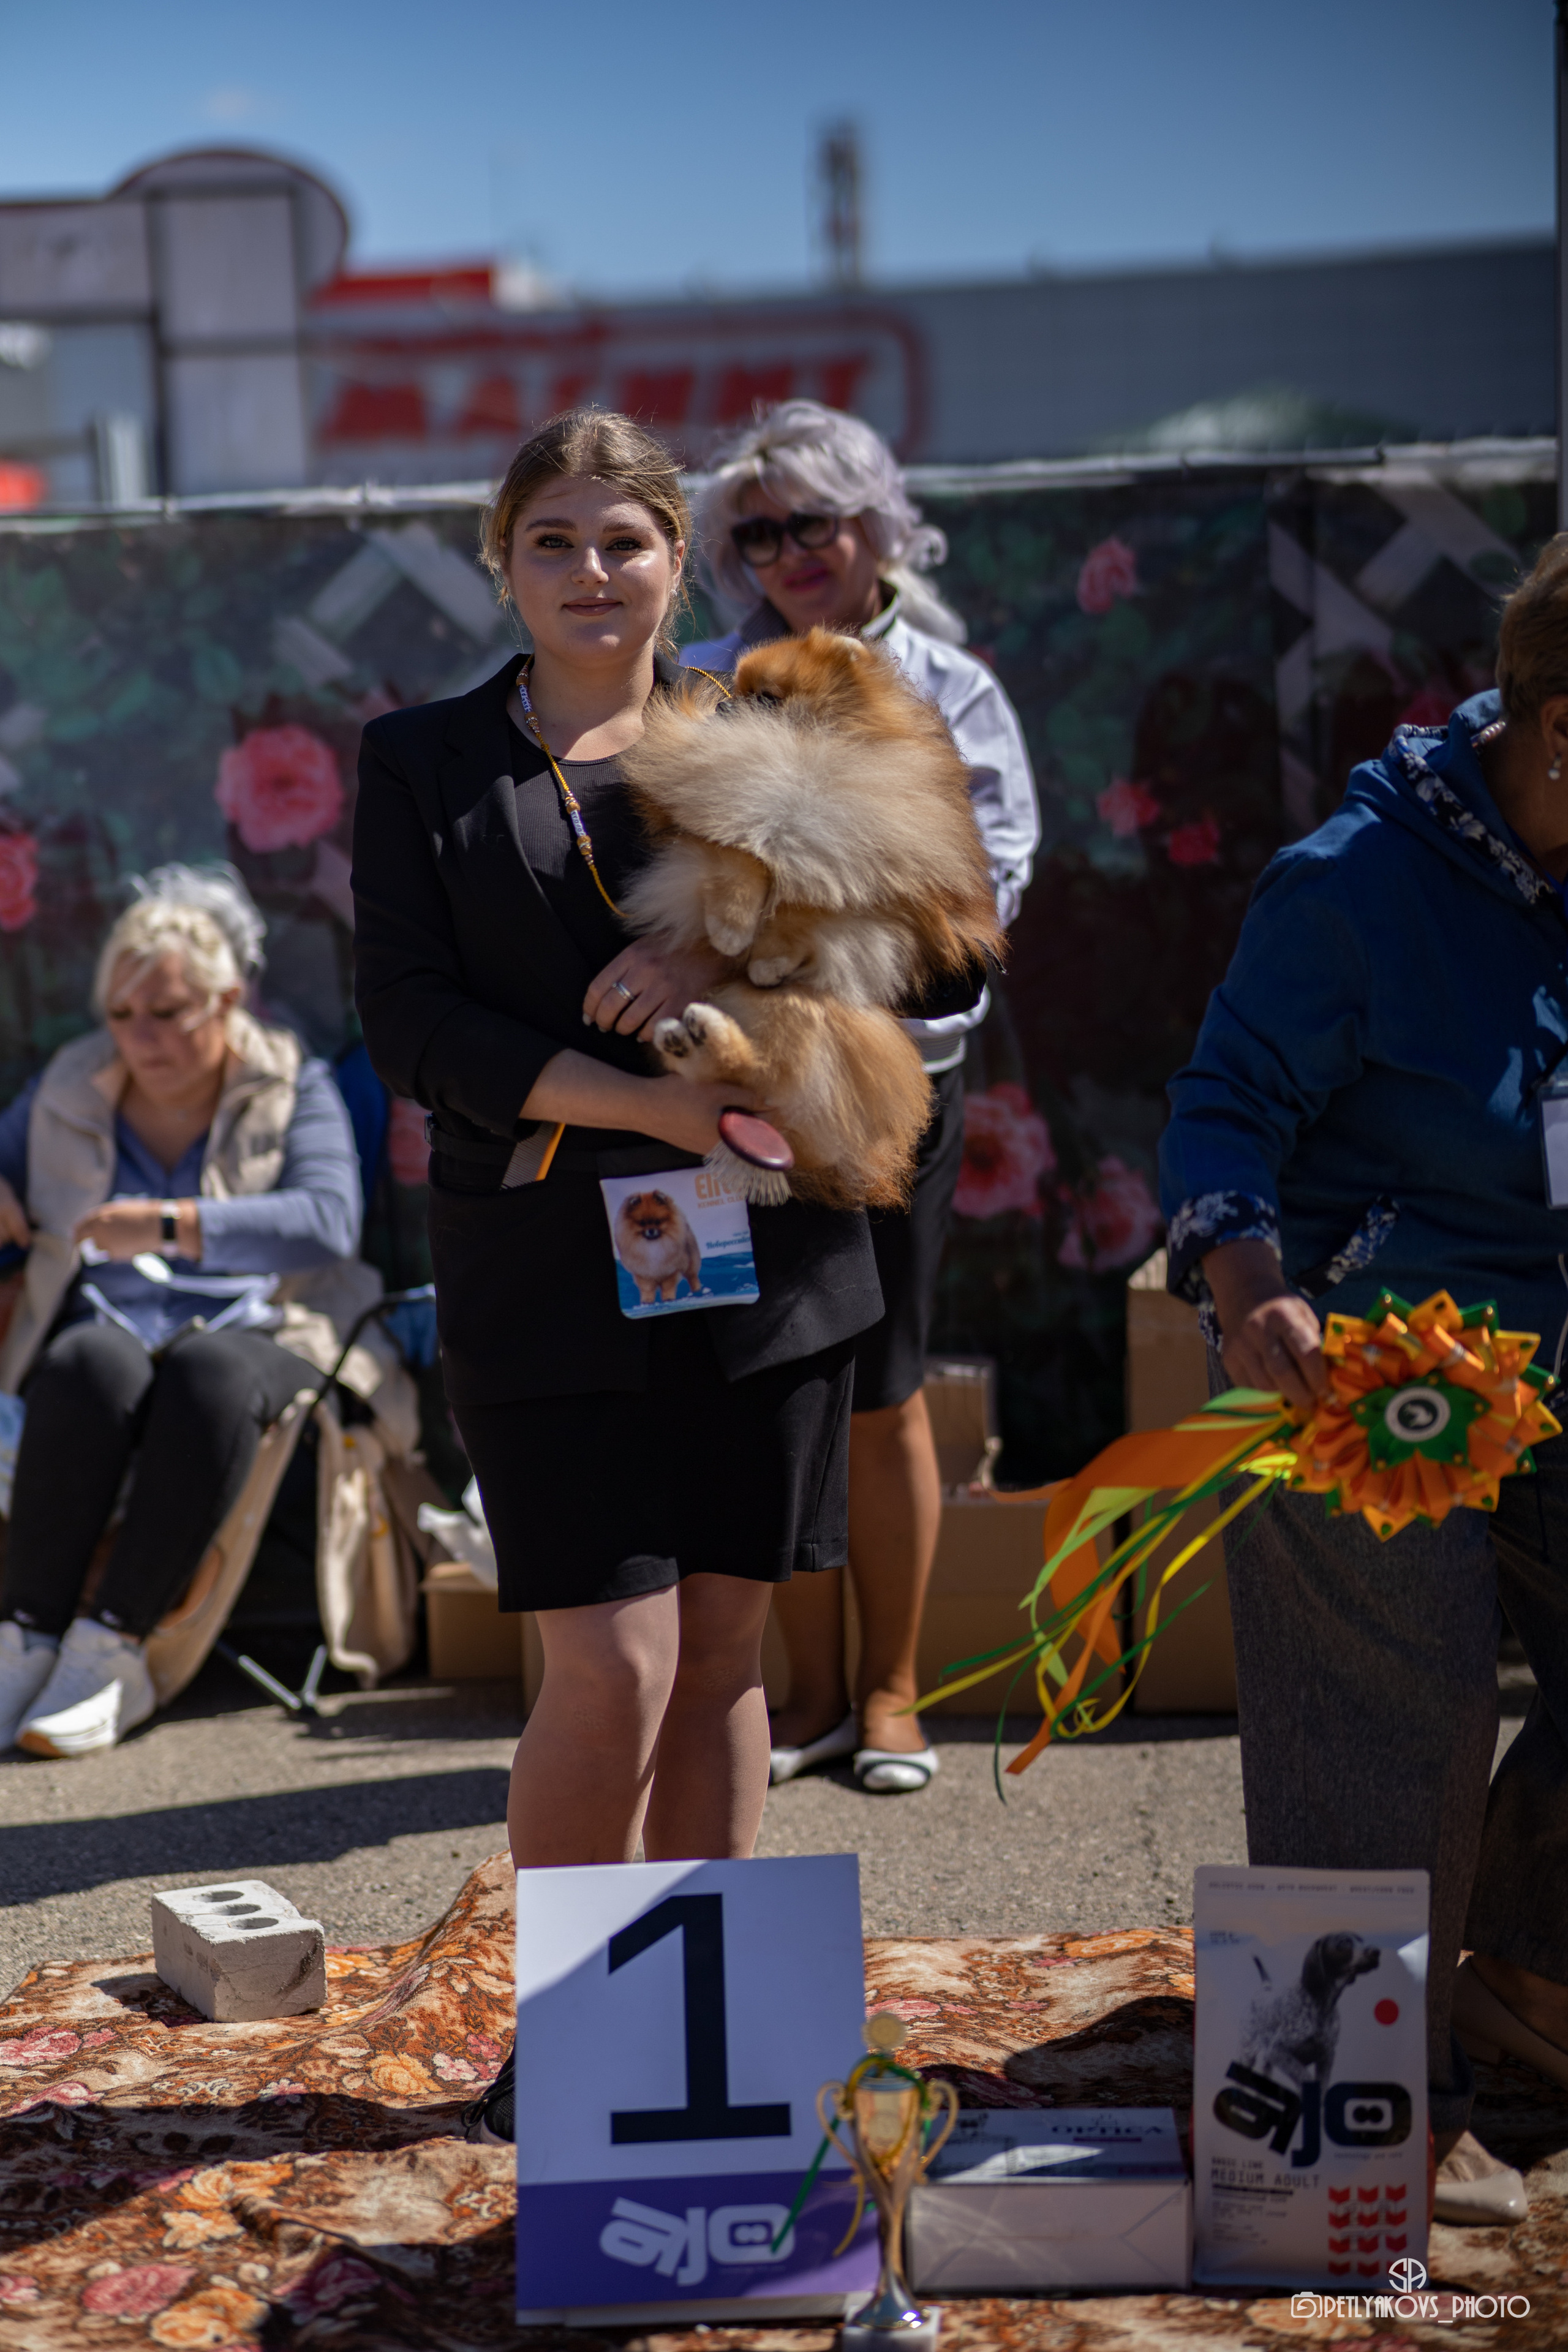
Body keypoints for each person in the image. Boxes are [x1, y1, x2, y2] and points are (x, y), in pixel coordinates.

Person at [350, 409, 884, 2142]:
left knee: (723, 1646)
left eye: (625, 540)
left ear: (677, 559)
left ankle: (698, 2032)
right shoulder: (421, 762)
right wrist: (644, 1103)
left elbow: (911, 934)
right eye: (554, 541)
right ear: (502, 563)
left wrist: (709, 942)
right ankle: (576, 2029)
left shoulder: (766, 727)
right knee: (614, 1666)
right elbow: (411, 1024)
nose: (592, 572)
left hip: (769, 1250)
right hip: (543, 1257)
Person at [1158, 533, 1568, 2227]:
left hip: (1562, 1359)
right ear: (1560, 728)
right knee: (1386, 1721)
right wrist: (1250, 1286)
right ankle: (1358, 2118)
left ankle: (1522, 1986)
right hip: (1369, 1362)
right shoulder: (1352, 882)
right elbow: (1220, 1109)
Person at [683, 400, 1040, 1794]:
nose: (789, 552)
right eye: (759, 533)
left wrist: (827, 936)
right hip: (732, 1087)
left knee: (883, 1389)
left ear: (878, 526)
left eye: (813, 523)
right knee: (771, 1382)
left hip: (889, 1088)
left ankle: (891, 1692)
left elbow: (982, 902)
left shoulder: (952, 689)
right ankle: (808, 1691)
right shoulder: (700, 680)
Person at [0, 866, 363, 1757]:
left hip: (269, 1326)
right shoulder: (70, 1080)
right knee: (85, 1363)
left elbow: (330, 1221)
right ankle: (24, 1640)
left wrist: (172, 1225)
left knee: (207, 1373)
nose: (140, 1038)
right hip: (114, 1326)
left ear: (228, 1000)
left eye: (167, 1012)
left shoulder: (293, 1079)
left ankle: (113, 1649)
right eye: (122, 1014)